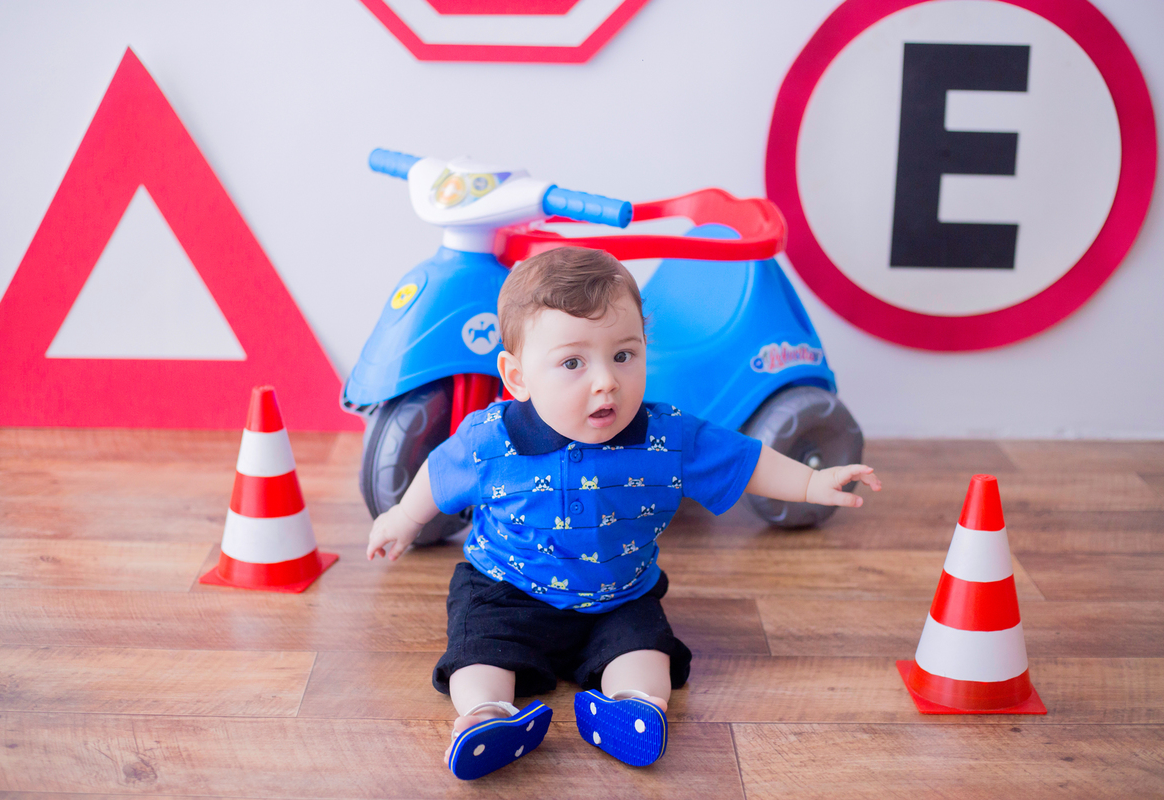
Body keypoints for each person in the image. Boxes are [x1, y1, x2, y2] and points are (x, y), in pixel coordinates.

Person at [366, 246, 881, 779]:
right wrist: (404, 519)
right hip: (507, 586)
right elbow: (438, 473)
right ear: (516, 377)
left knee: (645, 650)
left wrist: (812, 480)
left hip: (619, 594)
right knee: (477, 651)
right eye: (572, 362)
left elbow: (745, 460)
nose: (606, 381)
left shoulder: (667, 437)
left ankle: (632, 708)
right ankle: (487, 715)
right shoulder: (490, 440)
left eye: (623, 355)